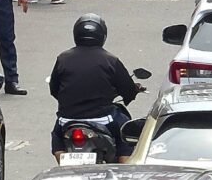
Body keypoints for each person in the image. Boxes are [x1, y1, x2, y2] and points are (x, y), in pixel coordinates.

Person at [49, 14, 142, 163]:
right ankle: (125, 170)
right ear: (102, 36)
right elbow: (127, 89)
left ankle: (64, 164)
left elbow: (54, 89)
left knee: (57, 138)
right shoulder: (110, 60)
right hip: (104, 119)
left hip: (67, 119)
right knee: (126, 135)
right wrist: (132, 92)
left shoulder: (63, 59)